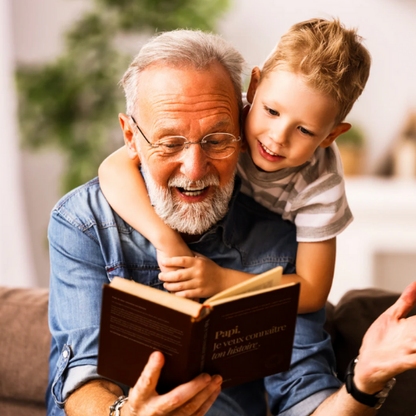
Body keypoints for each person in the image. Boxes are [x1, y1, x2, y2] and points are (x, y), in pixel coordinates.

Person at [46, 29, 416, 416]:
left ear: (235, 125)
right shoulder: (84, 222)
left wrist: (364, 381)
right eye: (171, 143)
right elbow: (81, 377)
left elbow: (304, 390)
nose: (194, 169)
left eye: (218, 139)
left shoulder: (292, 220)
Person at [98, 19, 370, 313]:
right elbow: (112, 169)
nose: (277, 138)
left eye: (304, 130)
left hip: (258, 258)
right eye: (271, 111)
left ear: (331, 135)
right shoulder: (220, 122)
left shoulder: (320, 184)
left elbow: (313, 291)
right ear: (253, 87)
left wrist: (222, 282)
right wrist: (168, 242)